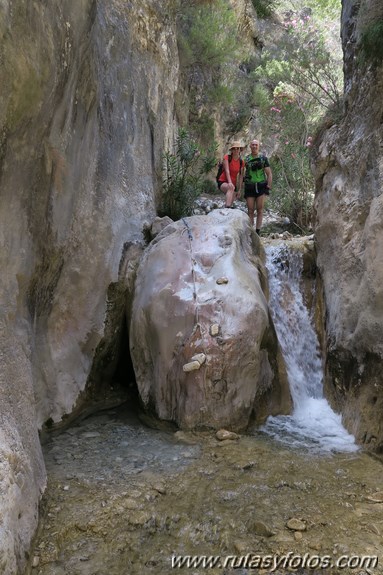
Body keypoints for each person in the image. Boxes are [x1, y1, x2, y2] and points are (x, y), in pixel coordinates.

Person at [244, 140, 272, 234]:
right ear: (250, 146)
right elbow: (241, 174)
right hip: (249, 186)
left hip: (261, 186)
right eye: (253, 145)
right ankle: (251, 231)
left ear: (258, 146)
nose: (254, 146)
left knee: (260, 209)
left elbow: (269, 173)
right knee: (250, 209)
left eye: (256, 145)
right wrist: (239, 188)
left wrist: (268, 186)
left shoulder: (263, 158)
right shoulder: (246, 159)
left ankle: (258, 231)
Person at [217, 141, 245, 208]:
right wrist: (229, 182)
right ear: (231, 150)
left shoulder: (241, 162)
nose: (236, 150)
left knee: (230, 201)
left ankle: (226, 210)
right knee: (230, 189)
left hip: (233, 185)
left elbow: (241, 176)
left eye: (237, 148)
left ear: (240, 150)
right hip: (223, 181)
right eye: (234, 148)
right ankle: (227, 208)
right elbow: (227, 170)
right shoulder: (227, 157)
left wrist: (239, 190)